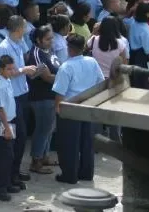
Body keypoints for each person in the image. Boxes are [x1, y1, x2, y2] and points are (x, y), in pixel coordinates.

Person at [52, 34, 105, 184]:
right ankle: (86, 173)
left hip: (70, 109)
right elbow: (100, 83)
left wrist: (58, 109)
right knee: (87, 142)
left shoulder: (66, 67)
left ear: (69, 49)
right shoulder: (92, 61)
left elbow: (60, 93)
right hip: (87, 106)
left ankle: (69, 175)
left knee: (69, 143)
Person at [0, 16, 38, 189]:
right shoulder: (5, 48)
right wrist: (23, 70)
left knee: (20, 137)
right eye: (24, 27)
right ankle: (6, 179)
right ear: (18, 28)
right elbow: (4, 73)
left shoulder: (19, 43)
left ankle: (14, 172)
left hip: (21, 93)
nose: (26, 30)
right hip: (10, 98)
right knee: (9, 139)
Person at [25, 25, 60, 175]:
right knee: (42, 129)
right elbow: (46, 77)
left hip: (51, 96)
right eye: (47, 39)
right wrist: (64, 78)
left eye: (51, 38)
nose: (51, 41)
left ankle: (44, 156)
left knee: (49, 129)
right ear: (38, 40)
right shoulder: (36, 54)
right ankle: (36, 160)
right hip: (41, 98)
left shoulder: (48, 51)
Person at [0, 55, 18, 202]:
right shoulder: (0, 85)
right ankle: (0, 187)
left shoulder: (7, 81)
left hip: (9, 121)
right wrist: (6, 128)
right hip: (2, 123)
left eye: (13, 68)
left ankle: (6, 184)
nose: (11, 71)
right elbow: (0, 109)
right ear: (0, 70)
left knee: (9, 155)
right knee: (3, 156)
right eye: (8, 69)